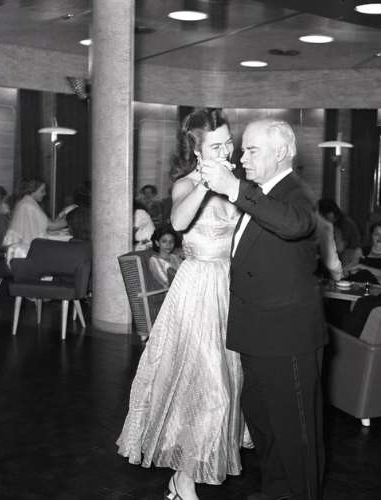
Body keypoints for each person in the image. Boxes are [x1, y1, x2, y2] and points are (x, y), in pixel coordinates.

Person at [117, 108, 243, 500]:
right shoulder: (186, 184)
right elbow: (179, 221)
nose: (226, 151)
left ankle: (186, 471)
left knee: (227, 383)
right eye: (216, 146)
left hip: (232, 288)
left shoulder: (237, 182)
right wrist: (206, 181)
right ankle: (184, 478)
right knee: (208, 386)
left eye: (228, 142)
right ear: (197, 151)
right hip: (198, 290)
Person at [201, 119, 326, 500]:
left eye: (252, 150)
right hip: (256, 331)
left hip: (287, 337)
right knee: (265, 424)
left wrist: (234, 188)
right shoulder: (261, 193)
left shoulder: (296, 193)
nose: (242, 158)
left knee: (296, 433)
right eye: (243, 150)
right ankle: (276, 492)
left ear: (282, 152)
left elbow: (295, 224)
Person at [2, 179, 66, 261]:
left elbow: (43, 224)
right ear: (33, 190)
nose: (45, 194)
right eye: (42, 191)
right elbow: (51, 226)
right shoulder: (30, 205)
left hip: (19, 248)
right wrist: (67, 221)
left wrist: (60, 219)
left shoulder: (25, 202)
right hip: (24, 250)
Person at [318, 198, 361, 267]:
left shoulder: (345, 223)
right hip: (339, 252)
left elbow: (340, 248)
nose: (323, 218)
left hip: (349, 254)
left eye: (325, 215)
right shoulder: (331, 223)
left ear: (332, 212)